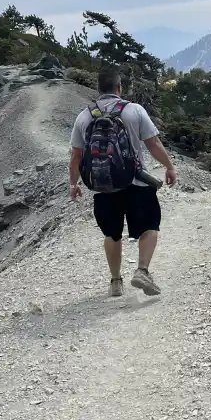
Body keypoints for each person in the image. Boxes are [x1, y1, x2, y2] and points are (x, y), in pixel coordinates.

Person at [68, 67, 177, 297]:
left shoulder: (84, 116)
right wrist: (169, 166)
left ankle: (116, 282)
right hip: (136, 182)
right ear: (119, 88)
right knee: (150, 226)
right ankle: (142, 270)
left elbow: (76, 156)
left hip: (103, 185)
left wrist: (73, 183)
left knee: (112, 233)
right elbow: (153, 143)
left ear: (98, 90)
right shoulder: (134, 110)